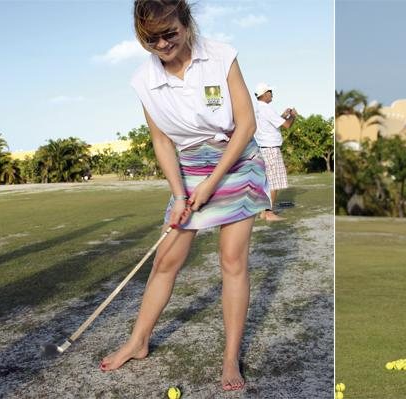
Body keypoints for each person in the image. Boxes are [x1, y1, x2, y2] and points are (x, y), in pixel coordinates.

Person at [99, 0, 271, 392]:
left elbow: (246, 124)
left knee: (232, 260)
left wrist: (212, 184)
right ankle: (138, 341)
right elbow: (161, 141)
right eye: (151, 39)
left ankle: (230, 358)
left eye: (169, 34)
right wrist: (180, 194)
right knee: (166, 259)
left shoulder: (222, 56)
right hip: (190, 167)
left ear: (186, 23)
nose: (162, 45)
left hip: (236, 157)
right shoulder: (143, 80)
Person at [253, 82, 297, 221]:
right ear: (264, 94)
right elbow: (287, 125)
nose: (272, 94)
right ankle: (269, 213)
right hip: (271, 149)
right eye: (270, 91)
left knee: (267, 182)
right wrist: (293, 116)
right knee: (274, 182)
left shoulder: (258, 109)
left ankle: (264, 211)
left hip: (262, 149)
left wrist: (283, 115)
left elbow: (271, 124)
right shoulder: (267, 109)